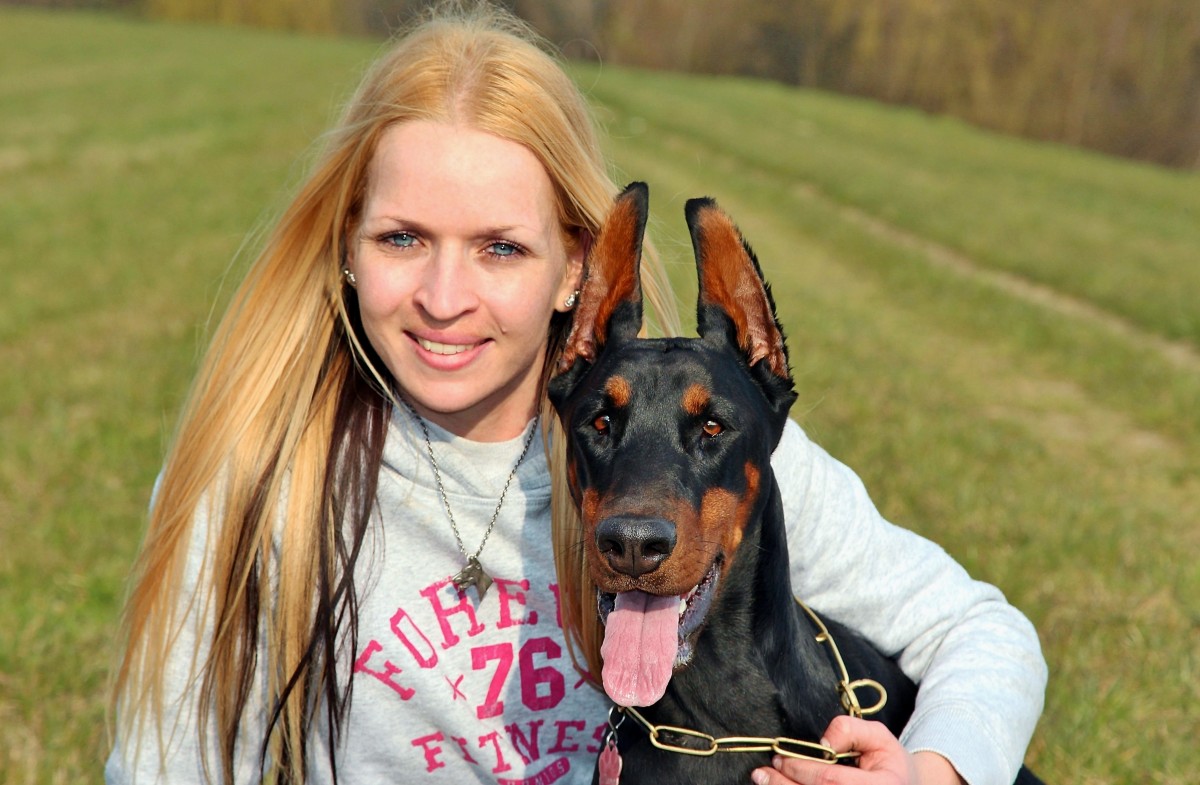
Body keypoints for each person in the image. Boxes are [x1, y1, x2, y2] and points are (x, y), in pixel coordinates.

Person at [106, 4, 1046, 784]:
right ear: (348, 245)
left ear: (575, 271)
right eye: (402, 238)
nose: (443, 297)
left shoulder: (707, 441)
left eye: (500, 248)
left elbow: (979, 631)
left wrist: (934, 772)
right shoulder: (260, 480)